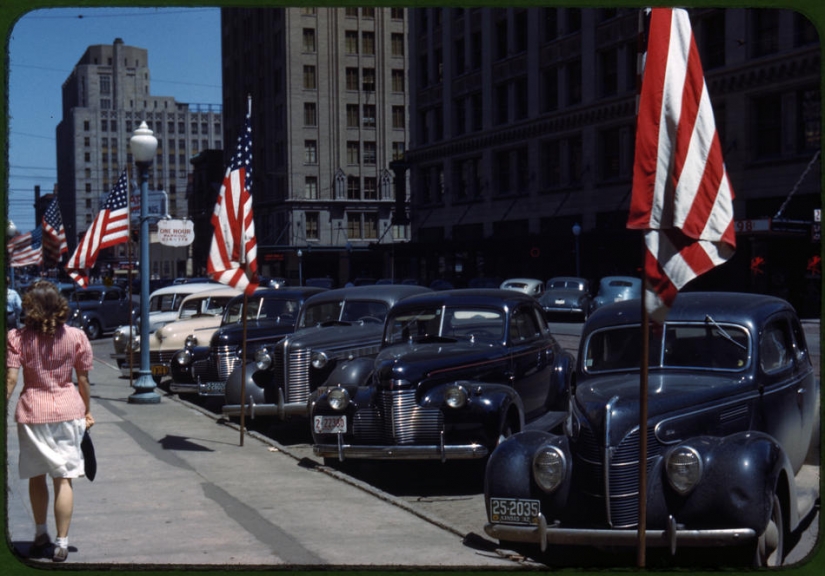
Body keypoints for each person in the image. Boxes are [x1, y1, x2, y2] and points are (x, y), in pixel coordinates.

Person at [5, 280, 94, 562]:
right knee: (63, 478)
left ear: (29, 308)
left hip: (32, 412)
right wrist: (86, 411)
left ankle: (40, 533)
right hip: (68, 411)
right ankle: (62, 543)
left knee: (36, 475)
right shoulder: (77, 337)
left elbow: (10, 379)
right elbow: (82, 380)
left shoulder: (17, 338)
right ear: (60, 307)